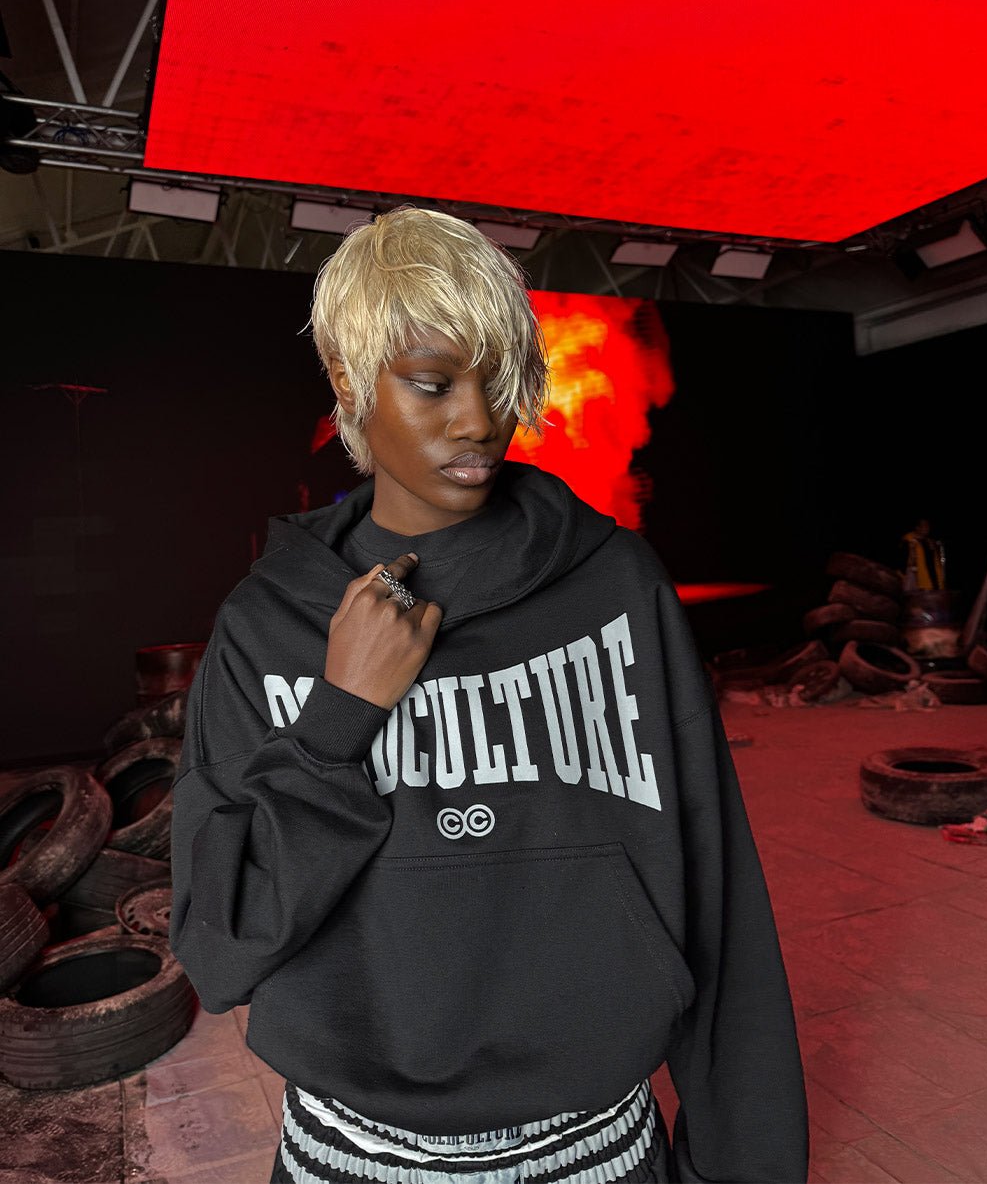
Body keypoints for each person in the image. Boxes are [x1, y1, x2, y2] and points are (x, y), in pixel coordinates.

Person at [168, 207, 809, 1184]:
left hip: (596, 1150)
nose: (478, 421)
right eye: (433, 383)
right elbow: (218, 949)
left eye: (497, 378)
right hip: (350, 1160)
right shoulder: (268, 623)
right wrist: (336, 721)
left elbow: (718, 898)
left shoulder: (615, 586)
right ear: (347, 376)